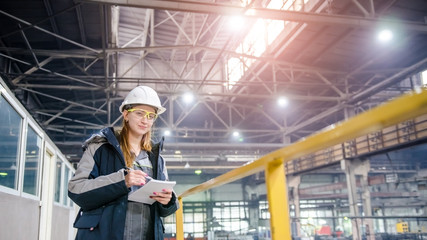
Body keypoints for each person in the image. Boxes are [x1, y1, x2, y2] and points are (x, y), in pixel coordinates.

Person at [68, 86, 179, 240]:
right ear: (126, 114)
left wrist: (168, 201)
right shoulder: (100, 148)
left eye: (150, 116)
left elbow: (165, 210)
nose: (145, 120)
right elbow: (76, 189)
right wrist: (121, 181)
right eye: (139, 113)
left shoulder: (157, 159)